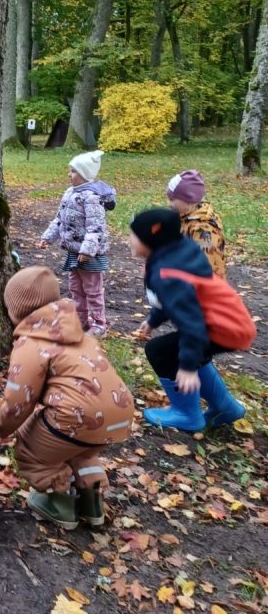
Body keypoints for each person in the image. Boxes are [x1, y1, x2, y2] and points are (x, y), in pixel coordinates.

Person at [0, 266, 134, 530]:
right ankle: (91, 500)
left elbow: (19, 400)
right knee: (77, 449)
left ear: (16, 309)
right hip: (118, 418)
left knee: (30, 446)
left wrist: (3, 429)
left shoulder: (31, 343)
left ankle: (60, 504)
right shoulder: (79, 334)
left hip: (77, 418)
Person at [130, 208, 255, 431]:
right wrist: (153, 321)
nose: (129, 239)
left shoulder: (168, 273)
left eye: (134, 235)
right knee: (186, 352)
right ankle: (226, 407)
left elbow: (191, 323)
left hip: (221, 327)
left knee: (159, 352)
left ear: (151, 238)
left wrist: (187, 367)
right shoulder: (174, 254)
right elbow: (172, 300)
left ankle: (187, 414)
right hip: (230, 322)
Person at [38, 150, 114, 337]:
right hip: (73, 252)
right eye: (70, 170)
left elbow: (96, 226)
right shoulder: (70, 193)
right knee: (76, 288)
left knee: (92, 290)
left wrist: (87, 250)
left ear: (85, 174)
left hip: (90, 255)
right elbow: (59, 219)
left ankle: (99, 324)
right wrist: (48, 237)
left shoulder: (92, 197)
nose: (69, 175)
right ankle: (80, 320)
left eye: (73, 171)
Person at [165, 170, 227, 279]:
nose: (169, 203)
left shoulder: (203, 229)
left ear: (188, 200)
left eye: (172, 199)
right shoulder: (185, 217)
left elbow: (203, 269)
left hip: (203, 286)